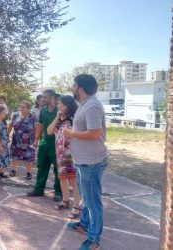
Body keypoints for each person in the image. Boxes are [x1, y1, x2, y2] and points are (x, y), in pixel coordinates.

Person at [64, 74, 108, 250]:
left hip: (91, 162)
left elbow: (95, 133)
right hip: (83, 161)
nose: (72, 88)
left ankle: (94, 240)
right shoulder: (85, 104)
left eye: (73, 85)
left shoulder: (92, 106)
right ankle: (84, 224)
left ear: (80, 88)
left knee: (93, 202)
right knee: (86, 198)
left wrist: (71, 134)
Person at [47, 95, 81, 219]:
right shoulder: (59, 120)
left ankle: (77, 206)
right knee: (62, 179)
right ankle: (65, 201)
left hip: (72, 156)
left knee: (73, 182)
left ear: (67, 106)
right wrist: (57, 117)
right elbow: (49, 131)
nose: (57, 105)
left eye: (59, 104)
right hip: (60, 155)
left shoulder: (74, 120)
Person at [26, 90, 62, 201]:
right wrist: (37, 139)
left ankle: (59, 192)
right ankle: (38, 189)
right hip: (44, 142)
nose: (43, 99)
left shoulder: (60, 109)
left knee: (58, 168)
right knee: (41, 166)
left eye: (45, 97)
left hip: (57, 143)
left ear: (51, 97)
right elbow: (40, 125)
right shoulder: (43, 110)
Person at [8, 100, 37, 179]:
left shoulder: (33, 117)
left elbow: (36, 129)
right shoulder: (15, 115)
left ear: (28, 109)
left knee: (29, 157)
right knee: (15, 156)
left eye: (23, 107)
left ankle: (28, 172)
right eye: (21, 106)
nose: (21, 108)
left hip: (29, 140)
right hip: (16, 140)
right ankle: (14, 170)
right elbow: (10, 125)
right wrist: (7, 135)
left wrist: (36, 140)